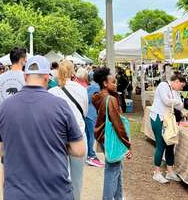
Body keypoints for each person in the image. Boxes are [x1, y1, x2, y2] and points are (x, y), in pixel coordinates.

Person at [0, 55, 85, 200]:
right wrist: (57, 145)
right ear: (47, 77)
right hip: (56, 192)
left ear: (25, 76)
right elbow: (79, 150)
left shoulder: (5, 106)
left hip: (17, 193)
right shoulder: (60, 105)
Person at [48, 60, 88, 200]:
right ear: (73, 72)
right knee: (77, 180)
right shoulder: (82, 89)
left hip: (57, 139)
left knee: (59, 178)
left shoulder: (52, 92)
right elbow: (85, 112)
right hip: (79, 137)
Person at [92, 67, 132, 200]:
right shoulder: (110, 99)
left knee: (117, 169)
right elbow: (117, 124)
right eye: (113, 82)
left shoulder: (100, 97)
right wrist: (127, 143)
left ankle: (119, 197)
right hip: (112, 139)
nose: (115, 84)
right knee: (112, 170)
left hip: (105, 138)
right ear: (105, 83)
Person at [150, 73, 185, 184]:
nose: (181, 88)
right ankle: (156, 172)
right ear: (176, 81)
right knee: (161, 144)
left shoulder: (175, 91)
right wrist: (176, 102)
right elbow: (166, 101)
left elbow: (181, 106)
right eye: (181, 86)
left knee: (170, 143)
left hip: (169, 120)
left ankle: (170, 171)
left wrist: (174, 102)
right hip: (158, 117)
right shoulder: (163, 86)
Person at [0, 47, 26, 113]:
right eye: (25, 58)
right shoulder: (28, 78)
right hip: (23, 118)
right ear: (22, 59)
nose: (26, 60)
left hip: (4, 118)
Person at [85, 73, 104, 167]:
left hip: (88, 114)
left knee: (89, 136)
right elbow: (89, 100)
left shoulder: (92, 86)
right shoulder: (95, 87)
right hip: (91, 114)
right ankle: (91, 156)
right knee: (92, 136)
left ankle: (89, 155)